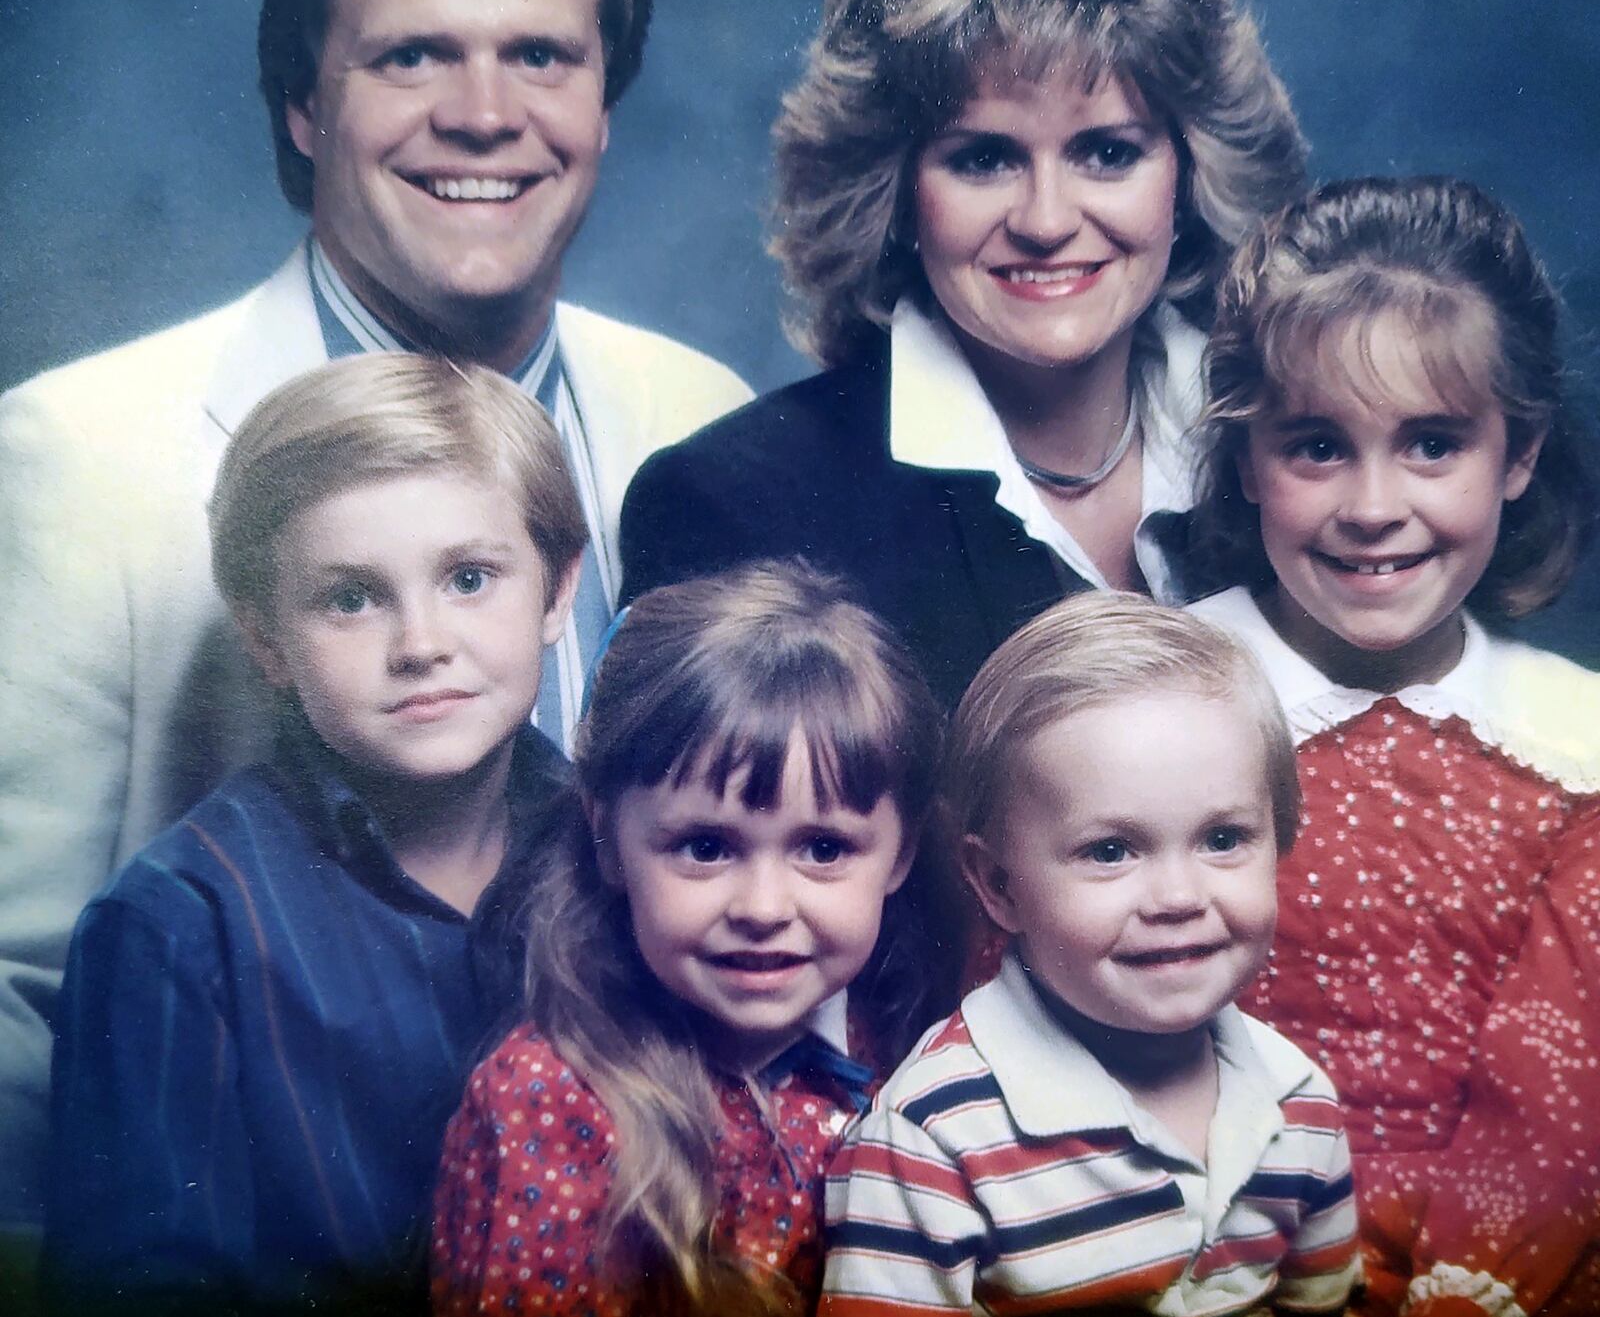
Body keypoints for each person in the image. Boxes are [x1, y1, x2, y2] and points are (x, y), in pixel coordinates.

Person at [0, 0, 751, 1248]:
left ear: (605, 97)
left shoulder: (696, 415)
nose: (485, 112)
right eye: (412, 55)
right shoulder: (76, 460)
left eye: (541, 53)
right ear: (303, 104)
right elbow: (12, 1012)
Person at [619, 0, 1305, 709]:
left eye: (1106, 152)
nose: (1048, 220)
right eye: (984, 159)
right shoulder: (739, 508)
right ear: (895, 191)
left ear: (1191, 168)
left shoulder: (1303, 454)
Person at [44, 354, 587, 1312]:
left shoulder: (624, 857)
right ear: (264, 638)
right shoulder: (178, 925)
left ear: (555, 592)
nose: (419, 643)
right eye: (350, 598)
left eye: (468, 578)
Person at [1187, 176, 1600, 1316]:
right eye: (1317, 446)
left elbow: (1561, 1110)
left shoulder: (1578, 743)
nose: (1374, 506)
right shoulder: (1137, 695)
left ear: (1516, 455)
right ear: (1243, 457)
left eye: (1431, 444)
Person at [430, 561, 963, 1316]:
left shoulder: (911, 1044)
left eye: (823, 848)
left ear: (900, 854)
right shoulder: (546, 1102)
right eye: (707, 847)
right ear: (607, 836)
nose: (764, 906)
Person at [820, 593, 1361, 1314]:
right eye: (1110, 850)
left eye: (1223, 838)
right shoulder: (932, 1137)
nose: (1178, 896)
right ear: (998, 884)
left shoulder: (1300, 1102)